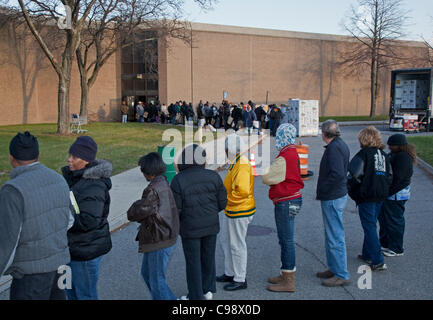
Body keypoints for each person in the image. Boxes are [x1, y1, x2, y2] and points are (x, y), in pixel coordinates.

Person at [0, 131, 71, 300]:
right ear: (38, 155)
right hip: (62, 268)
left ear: (11, 158)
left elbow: (8, 242)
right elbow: (70, 220)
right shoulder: (59, 179)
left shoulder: (12, 190)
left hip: (31, 276)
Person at [170, 144, 227, 300]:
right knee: (208, 257)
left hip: (190, 227)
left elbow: (176, 208)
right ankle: (207, 290)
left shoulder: (178, 179)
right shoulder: (213, 176)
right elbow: (222, 202)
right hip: (210, 225)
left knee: (193, 261)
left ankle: (195, 295)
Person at [62, 136, 113, 299]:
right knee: (70, 293)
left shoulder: (94, 185)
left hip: (85, 251)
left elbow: (89, 220)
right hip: (71, 248)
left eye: (74, 157)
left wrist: (60, 221)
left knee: (85, 295)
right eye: (70, 155)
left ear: (86, 160)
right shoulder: (74, 178)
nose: (69, 160)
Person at [127, 152, 179, 300]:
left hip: (159, 239)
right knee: (148, 275)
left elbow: (137, 211)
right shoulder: (163, 182)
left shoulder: (152, 189)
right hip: (164, 235)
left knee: (156, 281)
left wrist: (133, 208)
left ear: (149, 172)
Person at [262, 124, 304, 293]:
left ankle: (288, 280)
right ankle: (286, 271)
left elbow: (268, 177)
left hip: (285, 201)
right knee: (286, 239)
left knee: (286, 240)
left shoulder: (285, 156)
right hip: (293, 199)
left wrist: (265, 168)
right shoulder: (292, 152)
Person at [348, 126, 392, 271]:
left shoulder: (364, 154)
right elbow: (389, 176)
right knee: (371, 225)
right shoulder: (383, 155)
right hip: (381, 194)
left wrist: (353, 191)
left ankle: (378, 260)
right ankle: (368, 253)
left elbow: (354, 174)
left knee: (369, 227)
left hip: (367, 195)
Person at [217, 134, 255, 291]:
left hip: (240, 210)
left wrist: (224, 200)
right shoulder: (236, 162)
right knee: (225, 240)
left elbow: (242, 191)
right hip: (232, 208)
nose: (225, 151)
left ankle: (240, 278)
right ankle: (230, 272)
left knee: (237, 244)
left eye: (226, 148)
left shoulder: (242, 165)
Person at [316, 120, 351, 287]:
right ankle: (334, 267)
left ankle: (341, 273)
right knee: (331, 234)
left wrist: (324, 188)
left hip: (333, 196)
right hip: (336, 195)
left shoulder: (334, 149)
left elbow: (337, 174)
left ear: (324, 133)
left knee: (335, 236)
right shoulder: (339, 145)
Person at [378, 134, 417, 257]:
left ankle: (396, 248)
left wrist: (387, 192)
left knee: (394, 220)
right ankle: (385, 243)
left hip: (396, 195)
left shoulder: (403, 157)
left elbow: (399, 179)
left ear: (400, 145)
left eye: (392, 145)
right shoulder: (396, 155)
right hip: (392, 194)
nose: (389, 147)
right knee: (385, 220)